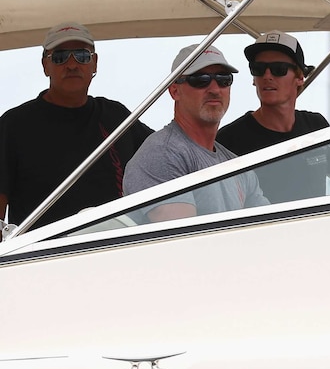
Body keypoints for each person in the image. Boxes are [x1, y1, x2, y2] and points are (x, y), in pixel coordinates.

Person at [0, 22, 154, 232]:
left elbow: (165, 156)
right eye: (60, 57)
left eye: (82, 56)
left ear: (95, 63)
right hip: (42, 256)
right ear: (45, 65)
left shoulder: (116, 116)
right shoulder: (13, 125)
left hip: (120, 247)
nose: (72, 65)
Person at [217, 30, 330, 202]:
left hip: (316, 231)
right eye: (259, 69)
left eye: (278, 69)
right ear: (253, 78)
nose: (267, 76)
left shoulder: (315, 126)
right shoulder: (228, 141)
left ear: (300, 77)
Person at [123, 44, 267, 223]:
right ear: (174, 90)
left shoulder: (237, 166)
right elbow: (183, 241)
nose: (214, 89)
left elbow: (271, 229)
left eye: (223, 79)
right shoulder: (163, 153)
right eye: (200, 79)